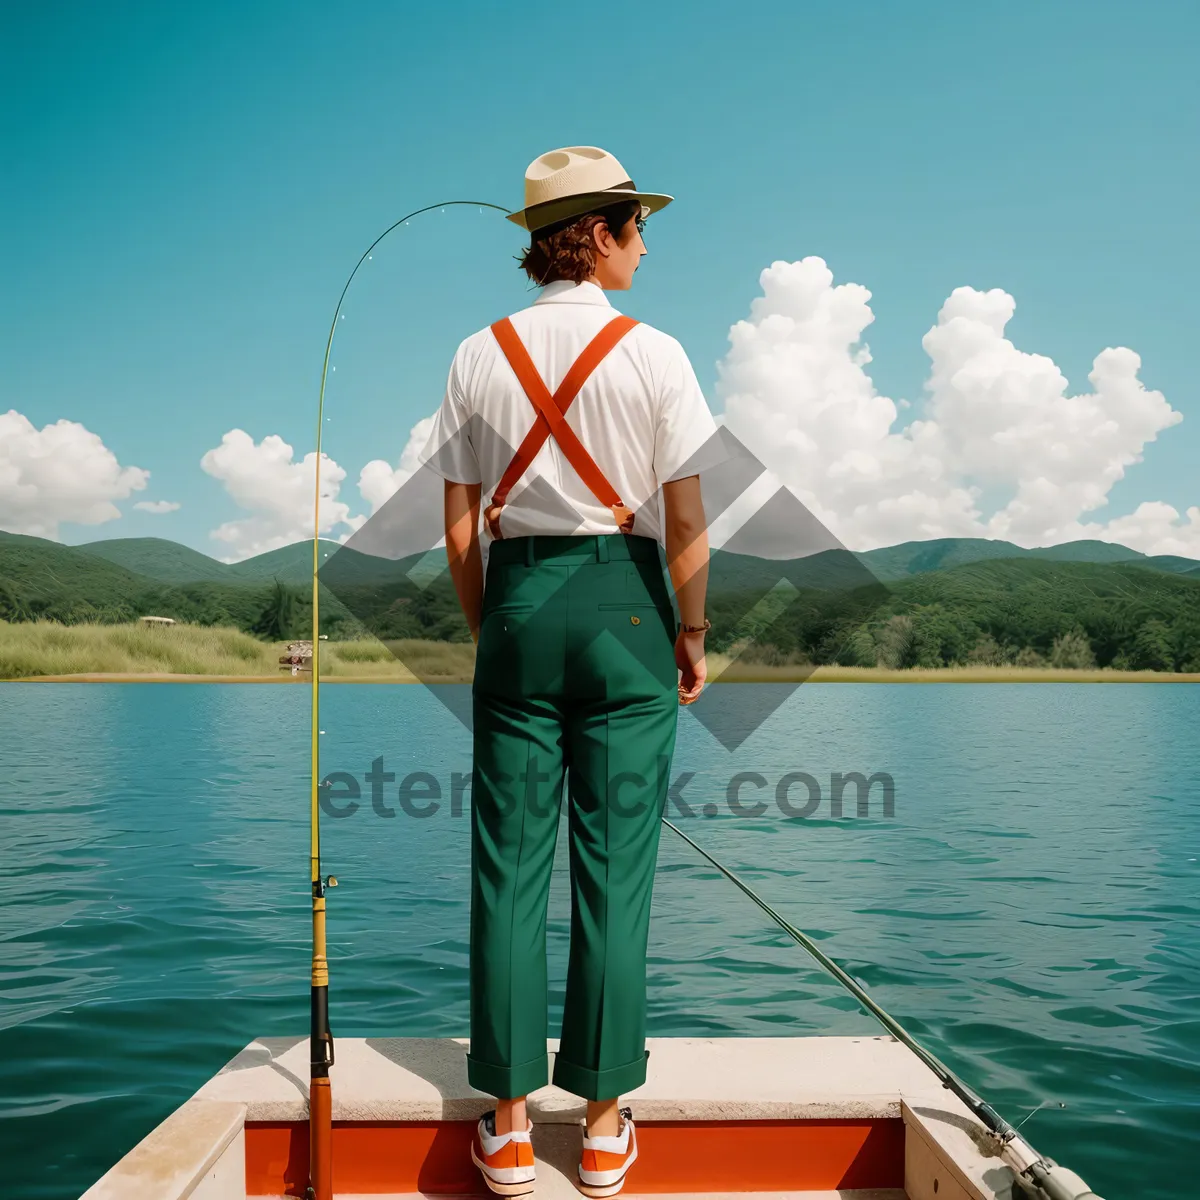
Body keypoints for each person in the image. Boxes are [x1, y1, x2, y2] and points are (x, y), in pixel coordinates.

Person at [421, 145, 716, 1198]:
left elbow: (459, 522)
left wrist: (488, 626)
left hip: (518, 607)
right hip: (629, 607)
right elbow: (683, 515)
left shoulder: (473, 355)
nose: (646, 245)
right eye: (638, 226)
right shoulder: (658, 353)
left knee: (506, 871)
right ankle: (598, 1129)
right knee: (615, 874)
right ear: (596, 233)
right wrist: (690, 633)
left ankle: (504, 1128)